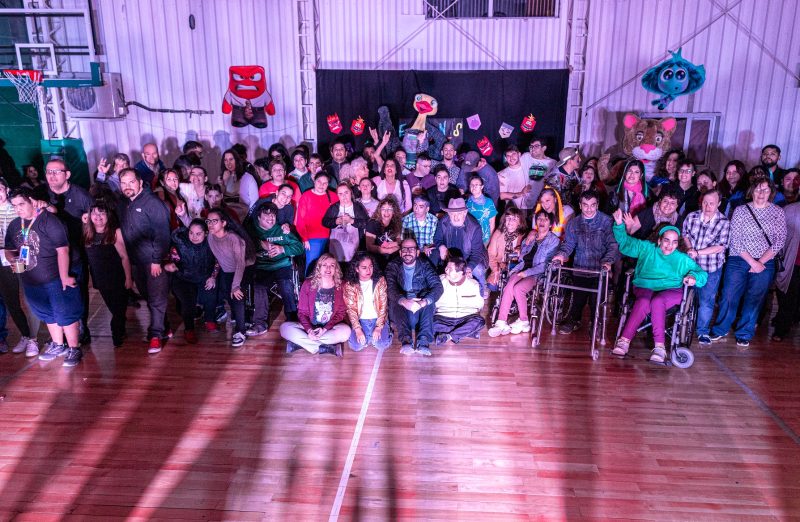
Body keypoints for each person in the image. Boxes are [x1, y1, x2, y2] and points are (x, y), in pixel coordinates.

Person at [611, 210, 707, 362]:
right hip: (645, 285)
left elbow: (702, 274)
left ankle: (660, 347)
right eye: (666, 240)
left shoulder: (681, 259)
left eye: (674, 242)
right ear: (659, 240)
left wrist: (693, 277)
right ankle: (624, 341)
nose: (670, 245)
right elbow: (626, 244)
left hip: (671, 289)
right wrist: (618, 225)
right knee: (643, 301)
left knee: (658, 301)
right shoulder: (647, 248)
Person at [5, 188, 83, 366]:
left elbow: (63, 250)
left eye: (21, 204)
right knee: (47, 313)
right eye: (14, 206)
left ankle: (74, 348)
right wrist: (12, 260)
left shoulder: (49, 221)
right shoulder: (15, 224)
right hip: (31, 280)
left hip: (54, 278)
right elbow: (9, 248)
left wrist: (64, 276)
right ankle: (58, 345)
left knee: (65, 313)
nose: (18, 209)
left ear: (32, 201)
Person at [711, 177, 786, 348]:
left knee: (755, 298)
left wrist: (761, 262)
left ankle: (744, 333)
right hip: (739, 258)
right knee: (729, 295)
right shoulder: (741, 210)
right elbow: (735, 239)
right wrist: (753, 262)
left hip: (765, 261)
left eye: (765, 190)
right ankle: (721, 328)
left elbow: (780, 240)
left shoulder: (777, 212)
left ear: (771, 192)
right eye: (758, 189)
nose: (761, 193)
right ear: (752, 191)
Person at [39, 158, 94, 345]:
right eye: (49, 172)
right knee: (54, 294)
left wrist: (88, 222)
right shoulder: (40, 193)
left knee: (77, 292)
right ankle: (60, 333)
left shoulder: (81, 195)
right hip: (49, 257)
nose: (52, 175)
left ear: (67, 174)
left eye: (56, 171)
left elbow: (97, 221)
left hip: (76, 254)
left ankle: (81, 329)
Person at [118, 168, 172, 354]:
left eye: (131, 182)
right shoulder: (123, 203)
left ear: (140, 182)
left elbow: (162, 234)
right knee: (148, 297)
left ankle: (155, 335)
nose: (127, 186)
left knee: (156, 299)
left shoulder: (153, 203)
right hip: (136, 262)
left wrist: (157, 260)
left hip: (153, 261)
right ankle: (164, 326)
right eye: (123, 183)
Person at [552, 190, 619, 335]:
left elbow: (613, 245)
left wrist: (608, 262)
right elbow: (568, 244)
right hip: (580, 267)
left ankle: (595, 322)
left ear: (597, 205)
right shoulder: (573, 223)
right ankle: (574, 320)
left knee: (596, 300)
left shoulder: (607, 222)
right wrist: (561, 255)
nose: (589, 209)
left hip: (599, 268)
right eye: (585, 205)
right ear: (580, 205)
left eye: (592, 205)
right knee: (578, 298)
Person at [488, 210, 560, 337]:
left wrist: (526, 273)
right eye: (539, 219)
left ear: (551, 224)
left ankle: (524, 320)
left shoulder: (554, 241)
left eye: (545, 219)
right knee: (509, 284)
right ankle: (501, 322)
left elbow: (546, 265)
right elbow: (523, 255)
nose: (542, 222)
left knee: (518, 288)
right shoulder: (531, 238)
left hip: (538, 274)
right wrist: (519, 251)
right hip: (522, 268)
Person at [246, 203, 302, 337]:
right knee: (259, 286)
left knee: (286, 285)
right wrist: (259, 245)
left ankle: (292, 318)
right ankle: (260, 323)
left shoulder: (282, 230)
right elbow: (243, 248)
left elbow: (299, 247)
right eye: (266, 216)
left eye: (273, 216)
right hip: (263, 267)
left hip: (282, 265)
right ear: (258, 218)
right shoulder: (252, 232)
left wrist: (282, 249)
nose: (270, 219)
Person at [682, 189, 730, 345]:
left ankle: (702, 331)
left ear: (719, 204)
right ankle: (681, 326)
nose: (707, 206)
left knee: (706, 301)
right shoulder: (692, 216)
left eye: (711, 203)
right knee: (684, 297)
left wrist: (697, 252)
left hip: (711, 268)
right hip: (691, 266)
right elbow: (685, 234)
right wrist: (690, 248)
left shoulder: (724, 222)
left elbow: (720, 246)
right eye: (705, 203)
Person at [83, 201, 133, 348]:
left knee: (118, 309)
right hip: (101, 280)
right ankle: (120, 328)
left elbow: (124, 257)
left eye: (102, 213)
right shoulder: (87, 232)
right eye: (94, 213)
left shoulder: (115, 232)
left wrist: (128, 278)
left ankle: (116, 333)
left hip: (118, 278)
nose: (98, 216)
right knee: (114, 308)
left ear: (108, 215)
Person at [279, 253, 350, 355]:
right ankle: (325, 347)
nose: (328, 268)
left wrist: (324, 329)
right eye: (324, 265)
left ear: (336, 269)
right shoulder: (308, 284)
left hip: (329, 328)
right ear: (319, 267)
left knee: (346, 332)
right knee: (284, 328)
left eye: (332, 265)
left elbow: (341, 313)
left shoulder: (341, 285)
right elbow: (302, 312)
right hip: (310, 326)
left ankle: (304, 344)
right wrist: (309, 330)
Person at [385, 238, 443, 356]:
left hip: (420, 310)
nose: (407, 252)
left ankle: (423, 342)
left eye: (411, 249)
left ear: (417, 252)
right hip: (401, 312)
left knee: (429, 300)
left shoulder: (425, 265)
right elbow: (390, 288)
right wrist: (403, 301)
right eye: (404, 249)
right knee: (395, 300)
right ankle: (406, 341)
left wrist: (423, 302)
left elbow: (438, 287)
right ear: (400, 252)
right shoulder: (392, 265)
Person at [163, 219, 218, 343]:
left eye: (198, 234)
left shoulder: (212, 242)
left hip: (204, 276)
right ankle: (189, 329)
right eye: (191, 233)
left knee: (211, 294)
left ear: (206, 233)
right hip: (183, 278)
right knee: (188, 302)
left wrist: (213, 277)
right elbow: (173, 259)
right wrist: (172, 264)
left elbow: (218, 261)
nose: (194, 237)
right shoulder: (180, 242)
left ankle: (210, 319)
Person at [0, 178, 37, 356]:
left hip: (22, 257)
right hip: (3, 261)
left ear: (6, 190)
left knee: (31, 300)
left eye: (0, 189)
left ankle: (34, 339)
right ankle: (25, 335)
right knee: (11, 302)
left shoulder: (16, 207)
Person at [205, 208, 250, 349]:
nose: (210, 224)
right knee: (226, 294)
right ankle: (239, 317)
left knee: (236, 295)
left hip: (244, 268)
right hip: (227, 270)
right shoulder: (211, 237)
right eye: (208, 221)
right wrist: (213, 276)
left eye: (214, 221)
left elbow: (240, 263)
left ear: (223, 223)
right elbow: (219, 259)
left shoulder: (233, 239)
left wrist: (235, 285)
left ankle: (241, 331)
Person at [432, 197, 489, 297]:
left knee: (478, 270)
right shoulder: (443, 222)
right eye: (453, 214)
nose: (456, 217)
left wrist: (469, 268)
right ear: (448, 213)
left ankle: (482, 288)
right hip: (450, 259)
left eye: (459, 213)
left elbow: (477, 253)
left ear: (465, 213)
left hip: (468, 259)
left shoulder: (474, 227)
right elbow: (437, 238)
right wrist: (441, 246)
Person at [344, 252, 392, 351]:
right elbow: (351, 309)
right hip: (361, 321)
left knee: (382, 344)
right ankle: (369, 337)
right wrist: (357, 329)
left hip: (377, 319)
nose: (368, 270)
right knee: (356, 346)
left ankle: (383, 333)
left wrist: (379, 327)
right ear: (357, 269)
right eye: (364, 267)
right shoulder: (350, 285)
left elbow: (383, 305)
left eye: (371, 266)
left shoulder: (380, 281)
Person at [433, 256, 486, 345]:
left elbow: (479, 305)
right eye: (446, 267)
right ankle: (465, 332)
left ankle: (449, 336)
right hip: (443, 318)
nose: (446, 270)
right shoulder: (439, 281)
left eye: (450, 269)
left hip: (465, 318)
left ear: (460, 273)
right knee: (428, 324)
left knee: (480, 321)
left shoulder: (474, 285)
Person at [295, 171, 338, 275]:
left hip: (330, 237)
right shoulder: (306, 196)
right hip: (312, 238)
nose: (321, 185)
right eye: (319, 181)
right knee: (312, 266)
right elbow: (300, 219)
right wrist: (305, 238)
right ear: (314, 181)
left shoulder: (333, 196)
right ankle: (308, 285)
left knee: (328, 267)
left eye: (325, 183)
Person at [773, 201, 800, 342]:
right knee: (787, 295)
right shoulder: (790, 210)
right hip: (793, 262)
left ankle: (792, 319)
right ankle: (781, 328)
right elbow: (779, 236)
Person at [322, 183, 370, 262]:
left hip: (353, 251)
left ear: (351, 192)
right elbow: (324, 222)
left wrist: (352, 221)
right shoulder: (334, 207)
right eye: (340, 194)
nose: (344, 196)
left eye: (346, 192)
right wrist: (335, 221)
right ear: (337, 195)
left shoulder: (358, 207)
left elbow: (368, 224)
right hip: (335, 250)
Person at [487, 207, 526, 292]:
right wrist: (496, 270)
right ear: (504, 220)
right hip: (501, 265)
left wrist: (520, 249)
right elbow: (490, 254)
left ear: (519, 222)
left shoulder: (523, 236)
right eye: (508, 218)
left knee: (511, 285)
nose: (510, 221)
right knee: (492, 286)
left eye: (514, 219)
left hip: (516, 266)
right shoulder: (498, 233)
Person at [365, 196, 403, 268]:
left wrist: (395, 244)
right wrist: (387, 250)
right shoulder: (372, 224)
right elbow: (369, 247)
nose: (386, 212)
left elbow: (399, 240)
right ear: (379, 211)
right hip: (376, 261)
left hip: (393, 260)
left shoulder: (396, 223)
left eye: (389, 209)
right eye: (383, 209)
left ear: (394, 212)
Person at [499, 146, 537, 215]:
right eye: (508, 156)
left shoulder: (529, 168)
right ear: (506, 158)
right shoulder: (501, 174)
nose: (511, 157)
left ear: (519, 154)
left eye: (513, 154)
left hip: (534, 207)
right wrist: (521, 193)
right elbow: (502, 196)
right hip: (515, 210)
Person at [466, 174, 498, 245]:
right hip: (470, 237)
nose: (474, 187)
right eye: (472, 185)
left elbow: (492, 222)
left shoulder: (488, 202)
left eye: (476, 184)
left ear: (482, 187)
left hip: (484, 238)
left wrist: (491, 239)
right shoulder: (467, 201)